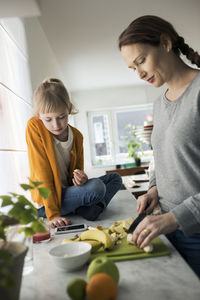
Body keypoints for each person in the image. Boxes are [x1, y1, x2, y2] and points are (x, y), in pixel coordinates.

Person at [118, 15, 200, 277]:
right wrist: (154, 188)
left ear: (165, 43)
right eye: (133, 68)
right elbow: (166, 158)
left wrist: (174, 218)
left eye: (141, 61)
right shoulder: (159, 104)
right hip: (167, 229)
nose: (139, 73)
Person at [26, 78, 122, 228]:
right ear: (39, 116)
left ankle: (93, 208)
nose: (56, 125)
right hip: (48, 203)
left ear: (69, 109)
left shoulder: (77, 136)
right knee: (97, 187)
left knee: (115, 178)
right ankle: (87, 207)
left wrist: (81, 179)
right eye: (48, 119)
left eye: (61, 117)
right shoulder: (34, 127)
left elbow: (76, 175)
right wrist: (53, 215)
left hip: (68, 193)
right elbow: (41, 173)